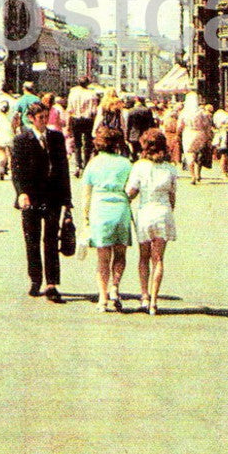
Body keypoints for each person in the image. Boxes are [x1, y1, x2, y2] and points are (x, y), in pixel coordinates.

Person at [11, 100, 73, 300]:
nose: (44, 121)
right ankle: (35, 279)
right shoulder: (21, 140)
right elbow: (16, 170)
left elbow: (63, 169)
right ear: (31, 118)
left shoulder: (56, 137)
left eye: (46, 117)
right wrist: (21, 193)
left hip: (52, 196)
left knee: (51, 240)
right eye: (40, 118)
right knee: (32, 240)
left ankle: (52, 284)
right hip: (31, 197)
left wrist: (67, 199)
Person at [126, 128, 178, 315]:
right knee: (158, 259)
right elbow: (172, 197)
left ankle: (144, 297)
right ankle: (154, 302)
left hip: (145, 212)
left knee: (144, 257)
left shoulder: (139, 167)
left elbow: (131, 192)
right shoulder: (171, 169)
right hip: (163, 212)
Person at [82, 125, 132, 312]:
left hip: (100, 209)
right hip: (121, 209)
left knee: (102, 258)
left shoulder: (93, 163)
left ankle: (102, 298)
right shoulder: (126, 163)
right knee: (120, 254)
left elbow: (86, 194)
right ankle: (115, 287)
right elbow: (131, 189)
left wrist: (85, 217)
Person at [177, 91, 212, 184]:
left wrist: (178, 135)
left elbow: (179, 126)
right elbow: (207, 126)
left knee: (189, 154)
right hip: (200, 134)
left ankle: (192, 176)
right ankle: (198, 174)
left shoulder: (184, 113)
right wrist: (208, 137)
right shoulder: (202, 113)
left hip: (188, 133)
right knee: (199, 154)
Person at [66, 75, 98, 176]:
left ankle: (78, 165)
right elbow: (94, 111)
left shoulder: (73, 93)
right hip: (88, 120)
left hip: (76, 119)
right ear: (88, 83)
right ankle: (86, 164)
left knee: (77, 143)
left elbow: (69, 109)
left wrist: (68, 125)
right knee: (88, 143)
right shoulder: (92, 94)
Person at [92, 88, 128, 153]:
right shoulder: (118, 105)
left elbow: (99, 118)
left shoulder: (103, 105)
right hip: (116, 131)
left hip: (105, 131)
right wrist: (125, 133)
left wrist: (94, 130)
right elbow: (122, 120)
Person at [126, 96, 155, 162]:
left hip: (133, 134)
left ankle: (135, 162)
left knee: (134, 151)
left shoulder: (131, 111)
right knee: (144, 151)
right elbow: (152, 123)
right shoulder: (147, 110)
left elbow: (128, 125)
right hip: (144, 134)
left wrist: (127, 136)